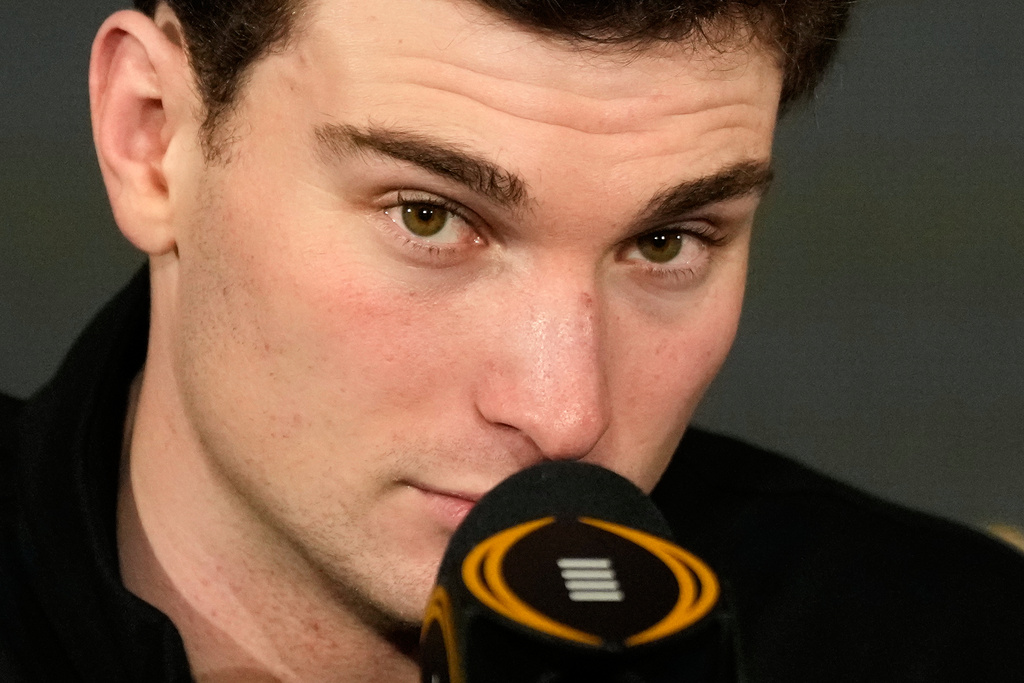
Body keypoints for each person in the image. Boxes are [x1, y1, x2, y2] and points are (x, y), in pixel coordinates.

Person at [1, 0, 1021, 681]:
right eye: (429, 217)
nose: (563, 408)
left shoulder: (952, 642)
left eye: (665, 241)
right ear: (151, 138)